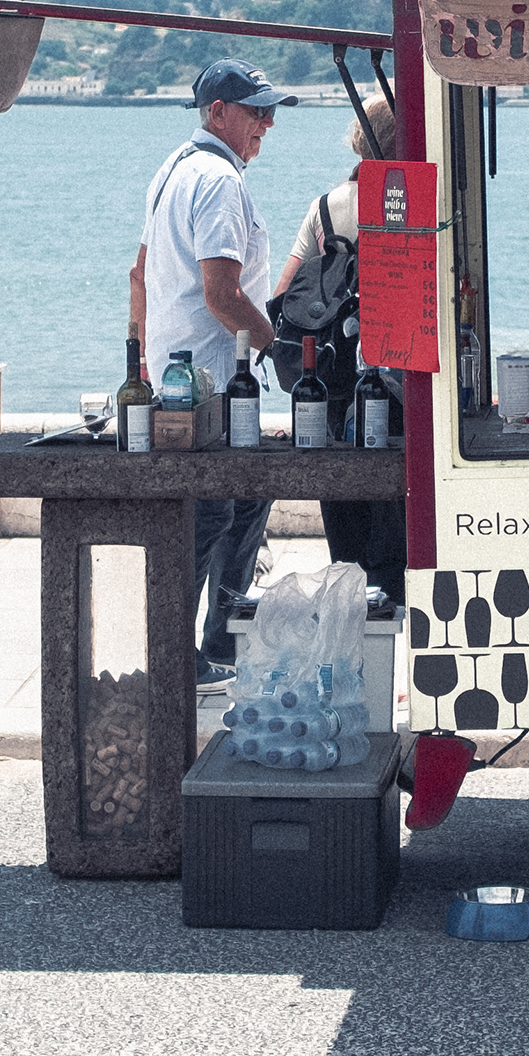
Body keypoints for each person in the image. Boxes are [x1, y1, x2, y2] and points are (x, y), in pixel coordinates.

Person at [131, 59, 292, 673]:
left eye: (270, 112)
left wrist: (144, 363)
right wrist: (277, 347)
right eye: (257, 111)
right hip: (214, 379)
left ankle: (217, 641)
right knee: (213, 510)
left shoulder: (172, 168)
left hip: (177, 374)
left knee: (244, 496)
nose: (267, 124)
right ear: (218, 112)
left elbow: (139, 275)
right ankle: (182, 654)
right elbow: (222, 294)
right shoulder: (221, 180)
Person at [276, 97, 408, 604]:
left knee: (345, 536)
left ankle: (348, 628)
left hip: (331, 383)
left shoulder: (324, 207)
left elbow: (285, 296)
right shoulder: (406, 201)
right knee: (392, 531)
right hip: (392, 381)